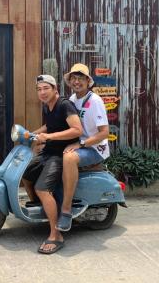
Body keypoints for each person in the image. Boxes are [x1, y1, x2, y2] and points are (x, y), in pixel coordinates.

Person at [21, 74, 82, 254]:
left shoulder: (65, 105)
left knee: (42, 189)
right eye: (39, 89)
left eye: (46, 88)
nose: (42, 92)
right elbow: (50, 126)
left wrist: (48, 137)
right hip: (49, 151)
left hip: (60, 154)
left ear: (55, 89)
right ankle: (41, 208)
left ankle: (56, 235)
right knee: (24, 173)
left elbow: (77, 130)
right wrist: (32, 134)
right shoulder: (47, 106)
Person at [57, 63, 110, 232]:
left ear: (88, 82)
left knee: (69, 157)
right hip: (80, 145)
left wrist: (80, 144)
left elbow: (104, 133)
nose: (76, 82)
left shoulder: (95, 101)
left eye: (81, 78)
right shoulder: (72, 100)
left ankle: (65, 211)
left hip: (95, 149)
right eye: (74, 78)